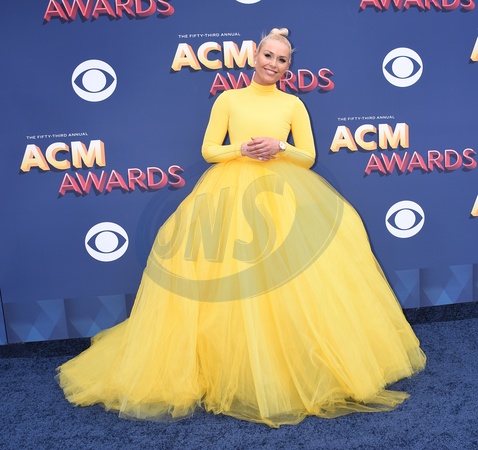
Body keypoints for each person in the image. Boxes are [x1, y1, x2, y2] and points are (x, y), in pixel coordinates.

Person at [57, 28, 426, 428]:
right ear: (255, 57)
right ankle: (232, 366)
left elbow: (307, 157)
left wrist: (280, 147)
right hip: (229, 194)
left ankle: (292, 363)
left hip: (283, 195)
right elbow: (209, 150)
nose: (273, 64)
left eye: (281, 60)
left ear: (288, 67)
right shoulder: (228, 99)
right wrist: (242, 148)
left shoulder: (293, 104)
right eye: (268, 56)